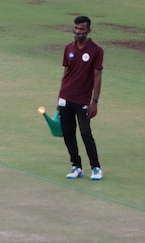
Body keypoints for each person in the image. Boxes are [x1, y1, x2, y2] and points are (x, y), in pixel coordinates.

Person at [57, 15, 104, 181]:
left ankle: (96, 168)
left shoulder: (96, 51)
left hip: (83, 100)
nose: (77, 32)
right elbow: (65, 74)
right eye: (76, 28)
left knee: (85, 133)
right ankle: (76, 166)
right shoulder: (68, 48)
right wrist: (59, 97)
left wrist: (94, 102)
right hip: (66, 97)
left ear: (89, 30)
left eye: (81, 29)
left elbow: (97, 77)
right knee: (68, 134)